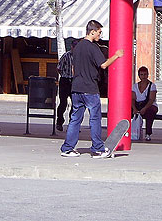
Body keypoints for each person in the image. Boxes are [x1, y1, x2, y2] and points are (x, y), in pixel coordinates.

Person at [60, 20, 124, 158]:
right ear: (92, 31)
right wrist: (117, 56)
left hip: (76, 88)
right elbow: (103, 65)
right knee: (95, 118)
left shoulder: (77, 47)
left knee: (75, 119)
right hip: (90, 88)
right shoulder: (93, 47)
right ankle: (98, 149)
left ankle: (67, 148)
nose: (100, 35)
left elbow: (72, 69)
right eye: (99, 32)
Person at [56, 39, 79, 131]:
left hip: (75, 81)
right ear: (72, 47)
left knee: (75, 103)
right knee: (63, 103)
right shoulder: (66, 56)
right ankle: (59, 122)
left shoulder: (80, 57)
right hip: (65, 80)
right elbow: (59, 68)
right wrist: (64, 75)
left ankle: (72, 123)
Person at [132, 66, 158, 141]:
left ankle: (148, 133)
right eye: (141, 75)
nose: (143, 77)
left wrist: (145, 108)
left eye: (145, 74)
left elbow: (151, 99)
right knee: (126, 111)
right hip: (138, 105)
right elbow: (133, 98)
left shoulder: (152, 86)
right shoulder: (135, 86)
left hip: (149, 105)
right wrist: (134, 108)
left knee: (150, 112)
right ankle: (129, 132)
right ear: (139, 76)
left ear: (148, 75)